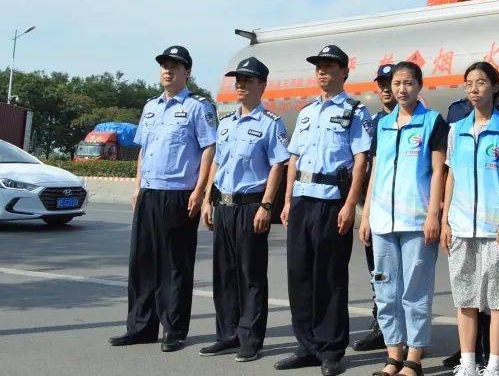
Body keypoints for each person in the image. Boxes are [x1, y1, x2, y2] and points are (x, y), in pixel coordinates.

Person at [109, 45, 217, 353]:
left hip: (180, 193)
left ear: (187, 73)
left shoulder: (199, 107)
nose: (167, 70)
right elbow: (143, 148)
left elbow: (209, 148)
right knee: (142, 261)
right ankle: (141, 327)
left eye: (175, 66)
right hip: (149, 192)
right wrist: (137, 186)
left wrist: (200, 191)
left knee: (175, 265)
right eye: (164, 65)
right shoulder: (150, 107)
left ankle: (174, 329)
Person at [277, 45, 372, 376]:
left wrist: (350, 204)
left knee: (330, 277)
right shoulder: (305, 113)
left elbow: (361, 159)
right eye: (319, 66)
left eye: (329, 66)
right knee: (300, 275)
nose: (322, 71)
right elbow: (294, 159)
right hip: (303, 199)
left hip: (333, 201)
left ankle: (331, 349)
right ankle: (306, 345)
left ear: (344, 72)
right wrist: (287, 200)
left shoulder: (355, 111)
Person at [360, 61, 449, 376]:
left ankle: (414, 357)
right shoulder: (382, 125)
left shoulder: (433, 122)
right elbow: (375, 175)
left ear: (419, 85)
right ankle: (393, 354)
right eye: (396, 84)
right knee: (385, 290)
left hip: (416, 221)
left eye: (408, 83)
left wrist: (434, 215)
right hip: (383, 221)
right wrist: (367, 214)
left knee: (414, 291)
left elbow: (439, 171)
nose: (401, 89)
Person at [199, 56, 290, 362]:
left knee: (251, 275)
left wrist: (267, 205)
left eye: (246, 80)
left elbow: (278, 165)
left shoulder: (270, 124)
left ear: (261, 85)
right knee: (223, 274)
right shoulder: (226, 124)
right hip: (223, 206)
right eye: (237, 80)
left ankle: (250, 339)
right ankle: (227, 334)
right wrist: (208, 200)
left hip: (251, 207)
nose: (239, 85)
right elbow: (217, 162)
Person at [442, 62, 499, 376]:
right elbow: (450, 176)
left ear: (494, 86)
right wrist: (446, 219)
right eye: (469, 83)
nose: (474, 88)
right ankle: (467, 362)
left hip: (496, 229)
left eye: (481, 82)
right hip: (462, 227)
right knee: (465, 297)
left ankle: (493, 364)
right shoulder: (457, 129)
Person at [353, 63, 398, 353]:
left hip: (408, 212)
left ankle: (407, 334)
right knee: (378, 273)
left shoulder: (422, 119)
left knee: (406, 277)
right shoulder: (373, 122)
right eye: (381, 84)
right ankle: (381, 326)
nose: (384, 89)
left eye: (390, 83)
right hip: (378, 209)